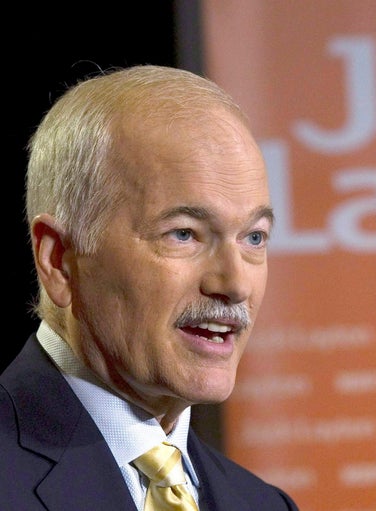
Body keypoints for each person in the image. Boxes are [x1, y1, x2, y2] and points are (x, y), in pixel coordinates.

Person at [0, 65, 299, 510]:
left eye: (253, 237)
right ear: (59, 260)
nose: (235, 284)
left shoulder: (264, 504)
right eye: (184, 234)